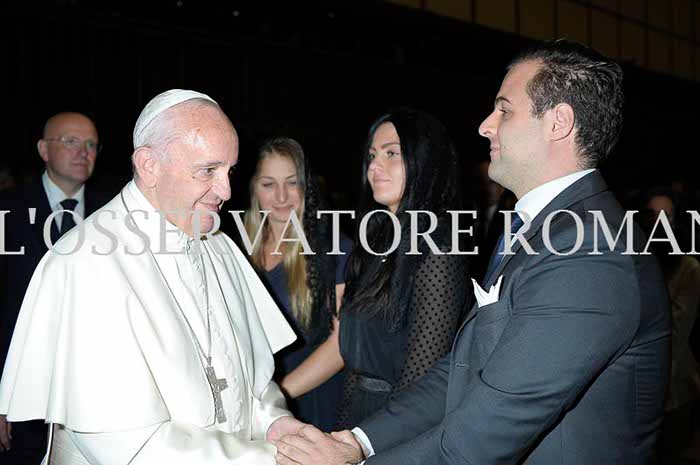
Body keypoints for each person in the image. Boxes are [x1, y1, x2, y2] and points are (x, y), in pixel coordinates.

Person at [275, 40, 671, 465]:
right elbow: (460, 371)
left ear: (559, 122)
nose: (485, 125)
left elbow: (484, 437)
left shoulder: (591, 252)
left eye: (504, 109)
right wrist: (357, 441)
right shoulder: (544, 232)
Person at [0, 89, 306, 464]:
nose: (226, 191)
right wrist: (271, 457)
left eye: (229, 171)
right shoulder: (83, 264)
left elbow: (252, 382)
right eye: (207, 170)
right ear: (148, 165)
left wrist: (275, 424)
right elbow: (131, 447)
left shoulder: (219, 245)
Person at [331, 108, 469, 429]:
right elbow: (357, 363)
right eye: (372, 155)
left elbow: (423, 375)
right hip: (363, 419)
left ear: (424, 159)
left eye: (392, 153)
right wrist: (339, 433)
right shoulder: (374, 241)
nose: (375, 166)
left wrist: (368, 442)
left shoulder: (438, 245)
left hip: (403, 427)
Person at [0, 112, 109, 462]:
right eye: (71, 141)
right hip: (20, 397)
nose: (83, 152)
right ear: (43, 150)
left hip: (95, 398)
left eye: (91, 144)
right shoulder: (7, 211)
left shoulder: (114, 214)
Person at [244, 137, 350, 431]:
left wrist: (279, 394)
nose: (281, 197)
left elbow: (341, 346)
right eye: (268, 184)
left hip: (311, 405)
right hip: (252, 408)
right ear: (254, 187)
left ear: (306, 186)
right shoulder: (236, 250)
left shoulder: (336, 249)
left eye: (291, 183)